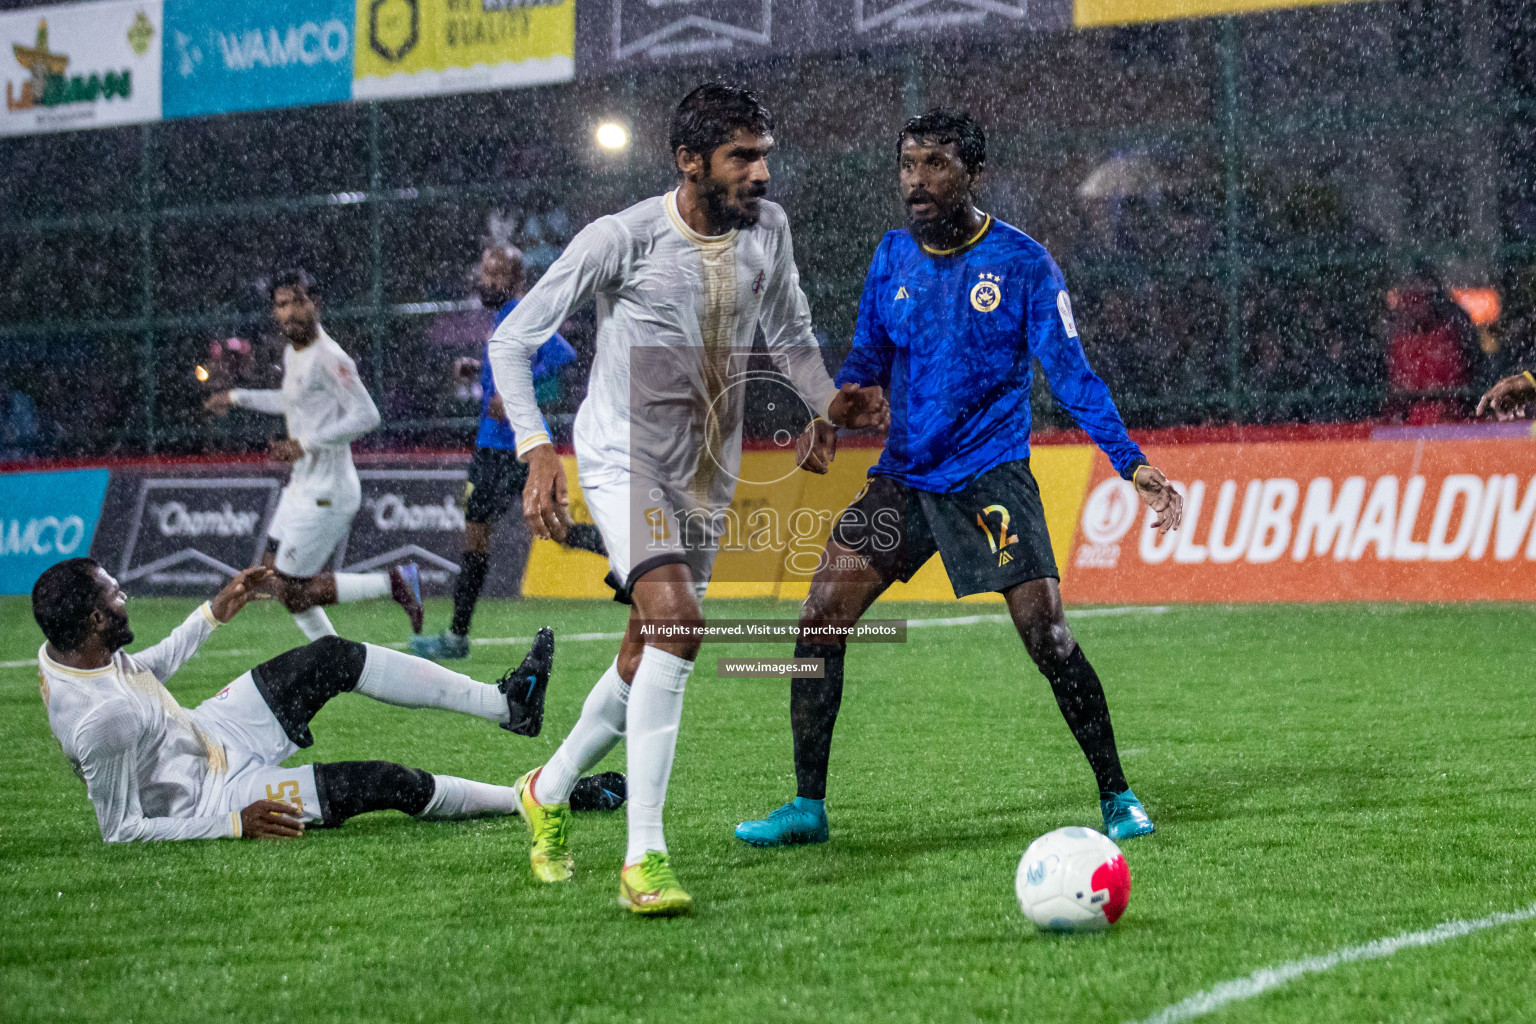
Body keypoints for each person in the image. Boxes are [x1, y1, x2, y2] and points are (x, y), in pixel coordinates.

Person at [734, 109, 1184, 850]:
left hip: (988, 478)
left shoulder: (1023, 263)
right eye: (908, 165)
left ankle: (1117, 793)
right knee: (818, 617)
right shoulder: (891, 257)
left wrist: (1133, 464)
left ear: (972, 172)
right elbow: (865, 362)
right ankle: (807, 807)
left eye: (935, 164)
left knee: (1048, 636)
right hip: (905, 477)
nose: (916, 181)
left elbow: (1072, 377)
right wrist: (830, 415)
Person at [488, 83, 888, 915]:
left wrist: (827, 401)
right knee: (681, 625)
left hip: (708, 473)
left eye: (765, 154)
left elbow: (790, 333)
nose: (762, 173)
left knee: (647, 650)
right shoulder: (621, 239)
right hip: (621, 455)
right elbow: (512, 340)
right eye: (742, 156)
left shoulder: (767, 232)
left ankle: (547, 788)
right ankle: (645, 857)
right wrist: (537, 452)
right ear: (689, 161)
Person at [31, 557, 625, 844]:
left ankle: (507, 706)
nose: (125, 596)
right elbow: (121, 830)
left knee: (332, 656)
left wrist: (212, 613)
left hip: (210, 730)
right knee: (388, 782)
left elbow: (142, 671)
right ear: (91, 619)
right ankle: (547, 796)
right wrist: (230, 824)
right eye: (115, 595)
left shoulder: (69, 649)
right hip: (214, 793)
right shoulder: (99, 719)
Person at [205, 269, 423, 642]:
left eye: (297, 302)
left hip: (329, 491)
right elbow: (291, 402)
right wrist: (237, 397)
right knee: (273, 578)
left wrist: (305, 444)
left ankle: (395, 583)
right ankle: (332, 651)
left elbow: (368, 415)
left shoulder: (330, 357)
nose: (289, 312)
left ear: (315, 304)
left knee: (291, 588)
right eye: (281, 304)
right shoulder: (293, 354)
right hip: (302, 487)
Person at [410, 244, 606, 660]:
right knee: (505, 536)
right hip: (495, 446)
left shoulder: (519, 311)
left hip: (514, 448)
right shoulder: (502, 317)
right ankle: (457, 637)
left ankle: (634, 558)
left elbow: (562, 355)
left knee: (499, 539)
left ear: (516, 279)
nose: (487, 282)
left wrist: (518, 393)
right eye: (485, 273)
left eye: (497, 275)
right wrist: (480, 372)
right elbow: (516, 363)